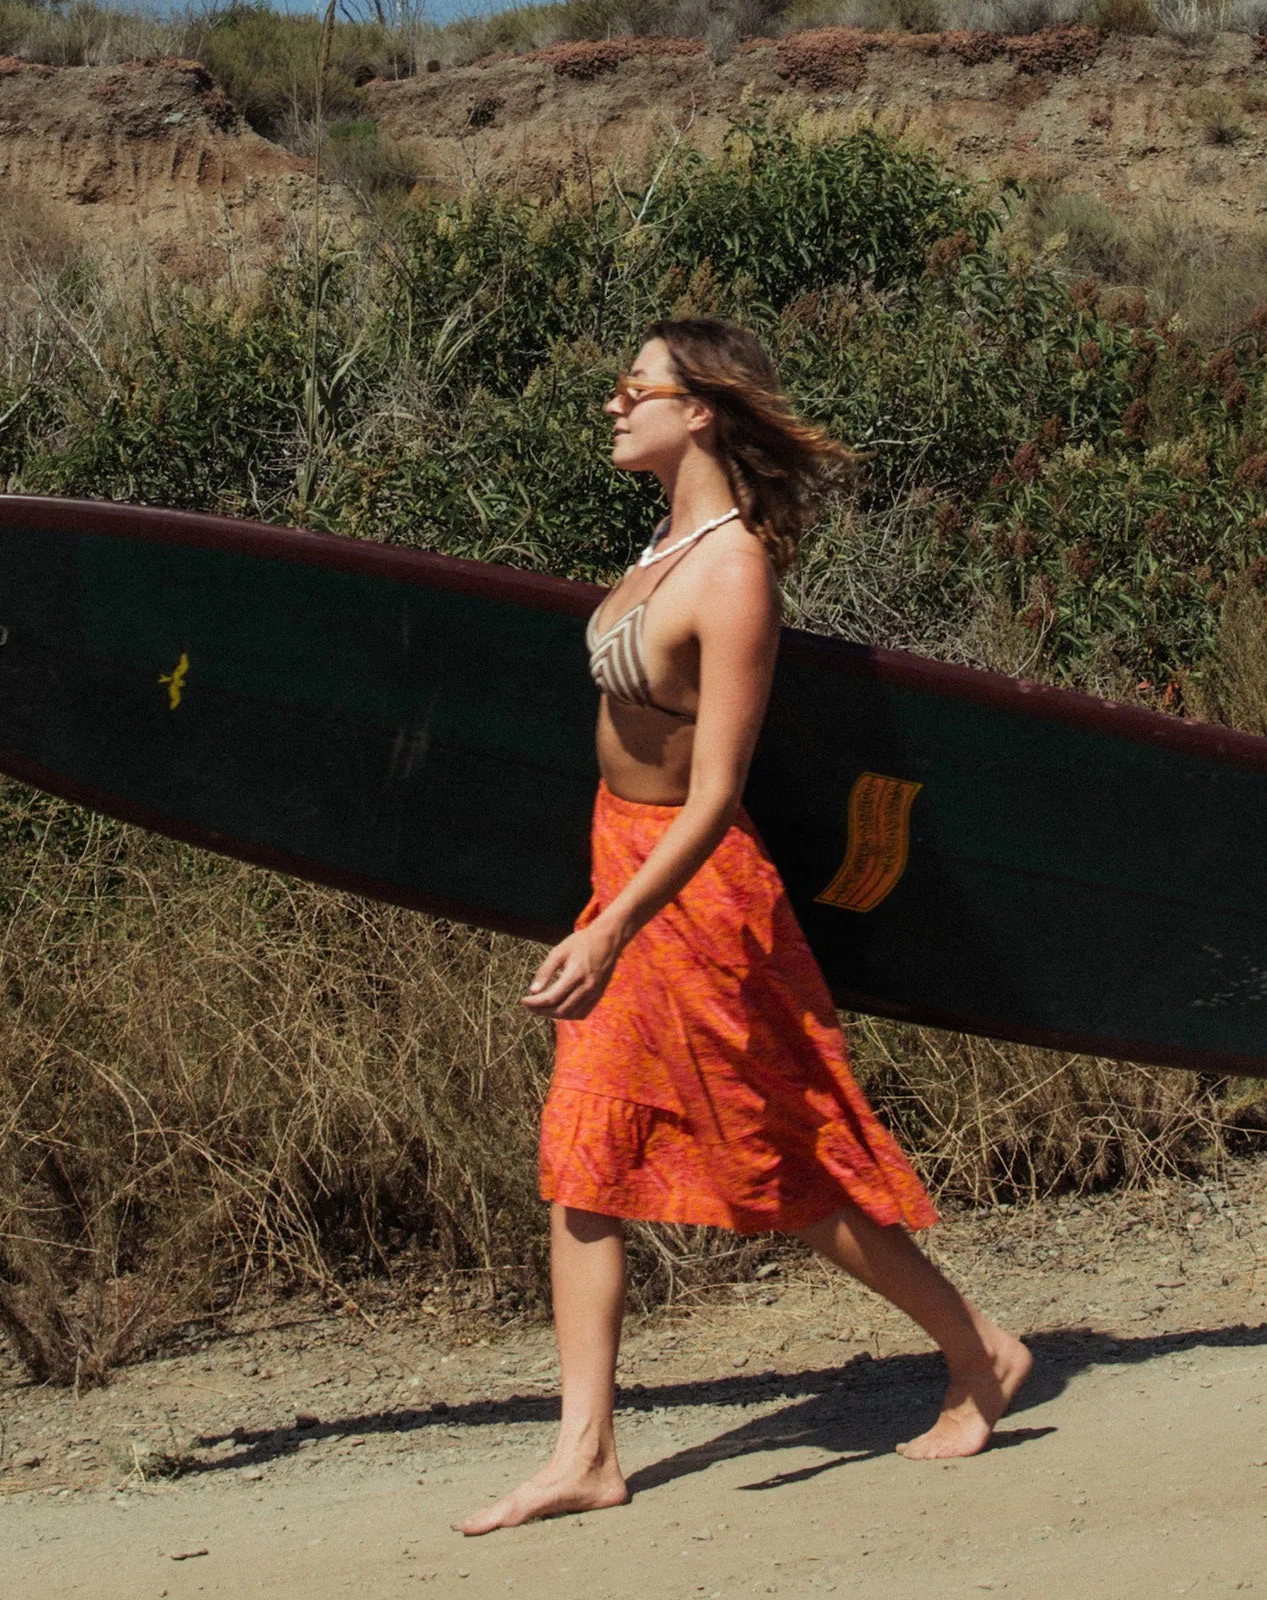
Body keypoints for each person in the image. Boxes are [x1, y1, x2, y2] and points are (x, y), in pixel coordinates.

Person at [455, 318, 1031, 1537]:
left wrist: (614, 929)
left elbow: (716, 793)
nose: (615, 406)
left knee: (786, 1170)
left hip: (694, 900)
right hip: (626, 871)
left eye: (635, 388)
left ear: (701, 409)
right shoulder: (662, 543)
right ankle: (587, 1450)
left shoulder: (731, 572)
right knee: (584, 1158)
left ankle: (982, 1349)